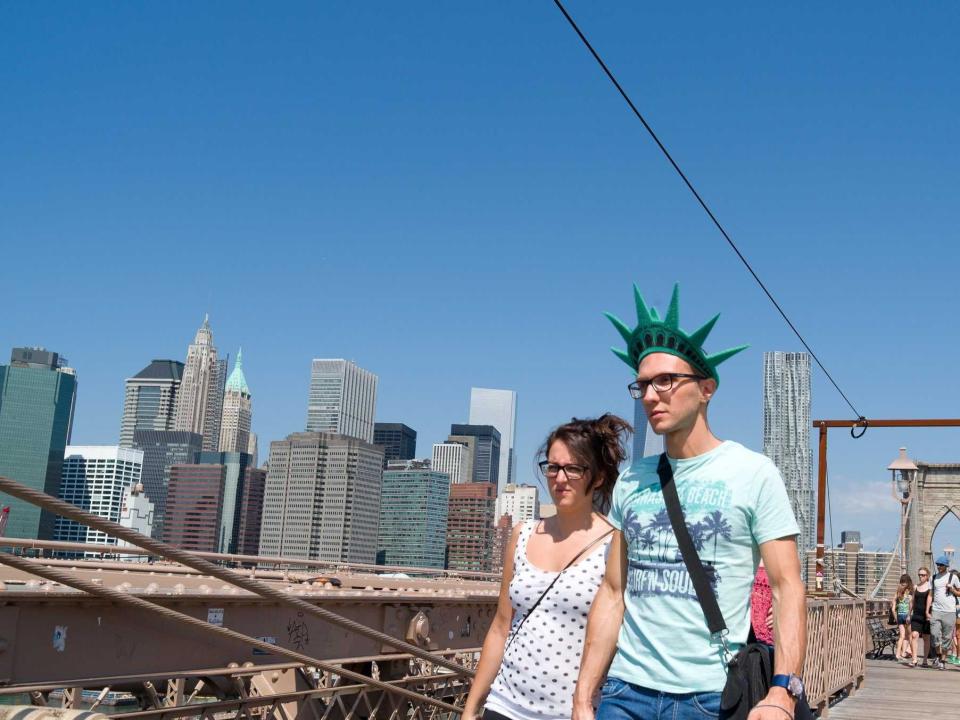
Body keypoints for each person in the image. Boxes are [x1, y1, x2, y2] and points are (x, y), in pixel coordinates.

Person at [573, 284, 807, 720]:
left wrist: (783, 690)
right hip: (625, 691)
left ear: (706, 389)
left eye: (666, 380)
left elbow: (786, 587)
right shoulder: (633, 478)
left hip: (709, 696)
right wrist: (584, 696)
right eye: (642, 384)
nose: (649, 395)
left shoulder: (753, 473)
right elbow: (612, 591)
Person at [462, 414, 632, 720]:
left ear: (598, 477)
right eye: (553, 467)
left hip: (569, 712)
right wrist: (472, 707)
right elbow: (501, 626)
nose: (560, 478)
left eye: (574, 469)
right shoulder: (523, 533)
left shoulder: (614, 543)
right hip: (504, 705)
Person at [926, 556, 960, 669]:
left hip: (950, 611)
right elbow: (930, 595)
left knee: (947, 637)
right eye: (938, 564)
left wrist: (952, 590)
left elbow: (959, 593)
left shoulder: (953, 577)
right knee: (934, 634)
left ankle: (943, 660)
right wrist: (927, 610)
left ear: (946, 566)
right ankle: (938, 656)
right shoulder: (933, 577)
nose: (939, 566)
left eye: (941, 565)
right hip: (936, 610)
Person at [909, 567, 931, 668]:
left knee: (926, 638)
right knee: (914, 635)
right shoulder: (915, 587)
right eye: (919, 575)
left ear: (927, 576)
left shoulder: (930, 588)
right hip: (916, 614)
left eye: (923, 575)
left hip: (926, 616)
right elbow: (912, 601)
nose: (921, 577)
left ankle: (925, 660)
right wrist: (909, 614)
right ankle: (914, 659)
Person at [891, 574, 913, 662]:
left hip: (899, 616)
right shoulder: (910, 592)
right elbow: (911, 605)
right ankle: (910, 652)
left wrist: (895, 616)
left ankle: (898, 655)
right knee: (911, 635)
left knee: (902, 636)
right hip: (907, 616)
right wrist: (909, 615)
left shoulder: (898, 592)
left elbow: (893, 608)